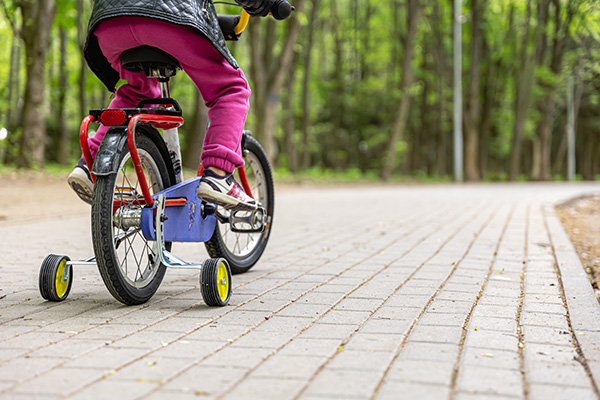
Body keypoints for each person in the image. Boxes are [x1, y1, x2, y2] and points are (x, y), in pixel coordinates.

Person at [67, 0, 275, 210]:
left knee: (139, 89)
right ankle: (218, 175)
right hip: (168, 20)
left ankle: (90, 163)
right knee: (231, 88)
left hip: (110, 24)